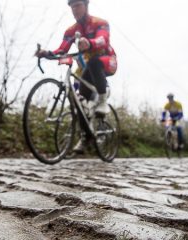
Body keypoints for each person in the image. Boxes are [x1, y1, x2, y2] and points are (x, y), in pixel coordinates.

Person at [35, 0, 117, 153]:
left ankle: (103, 101)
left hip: (107, 61)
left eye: (78, 5)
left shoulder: (100, 23)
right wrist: (47, 54)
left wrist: (90, 43)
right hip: (88, 71)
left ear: (86, 6)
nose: (75, 10)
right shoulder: (71, 30)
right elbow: (62, 49)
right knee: (78, 101)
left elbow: (103, 40)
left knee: (93, 62)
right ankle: (86, 137)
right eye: (72, 7)